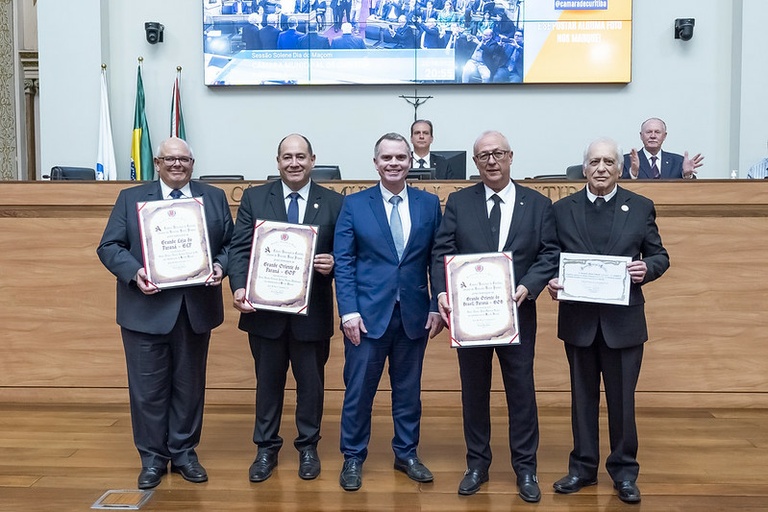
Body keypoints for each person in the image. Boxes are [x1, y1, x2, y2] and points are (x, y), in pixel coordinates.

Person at [96, 137, 233, 490]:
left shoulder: (213, 197)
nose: (177, 165)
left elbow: (233, 243)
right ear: (157, 163)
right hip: (144, 310)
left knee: (189, 387)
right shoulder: (131, 198)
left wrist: (220, 265)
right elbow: (109, 246)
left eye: (184, 159)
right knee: (148, 390)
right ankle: (153, 458)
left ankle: (185, 453)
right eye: (169, 159)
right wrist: (135, 272)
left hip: (194, 310)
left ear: (193, 162)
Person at [431, 130, 559, 501]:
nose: (491, 160)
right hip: (470, 316)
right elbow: (443, 249)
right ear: (475, 162)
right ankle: (477, 464)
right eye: (484, 155)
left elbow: (549, 253)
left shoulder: (537, 204)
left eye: (498, 153)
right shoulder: (458, 202)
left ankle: (526, 469)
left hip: (518, 313)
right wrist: (443, 290)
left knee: (521, 391)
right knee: (474, 392)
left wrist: (530, 285)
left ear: (511, 156)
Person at [547, 138, 670, 504]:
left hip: (624, 324)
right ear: (583, 167)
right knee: (582, 400)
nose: (601, 168)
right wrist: (553, 279)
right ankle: (582, 469)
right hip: (579, 322)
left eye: (609, 162)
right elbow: (550, 255)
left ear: (620, 168)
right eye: (594, 161)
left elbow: (659, 255)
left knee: (622, 402)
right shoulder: (561, 209)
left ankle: (624, 472)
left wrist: (647, 268)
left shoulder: (641, 206)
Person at [229, 134, 343, 483]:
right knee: (268, 383)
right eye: (287, 157)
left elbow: (349, 253)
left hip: (313, 314)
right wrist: (238, 287)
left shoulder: (335, 203)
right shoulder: (255, 198)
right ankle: (266, 449)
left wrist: (334, 262)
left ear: (313, 160)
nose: (294, 163)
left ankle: (308, 447)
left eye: (301, 156)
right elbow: (239, 250)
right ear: (277, 162)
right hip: (265, 314)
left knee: (311, 385)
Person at [334, 132, 444, 491]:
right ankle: (352, 456)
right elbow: (344, 262)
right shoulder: (355, 204)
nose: (393, 163)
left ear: (410, 161)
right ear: (376, 163)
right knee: (359, 390)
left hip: (413, 314)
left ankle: (407, 453)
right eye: (387, 158)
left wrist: (435, 305)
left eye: (400, 157)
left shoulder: (429, 205)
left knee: (408, 391)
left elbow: (436, 260)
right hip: (366, 317)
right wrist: (348, 311)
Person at [622, 117, 704, 179]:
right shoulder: (626, 161)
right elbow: (618, 187)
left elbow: (691, 190)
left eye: (657, 132)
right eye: (649, 132)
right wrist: (633, 173)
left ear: (664, 136)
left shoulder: (679, 162)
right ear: (641, 136)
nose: (653, 136)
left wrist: (687, 175)